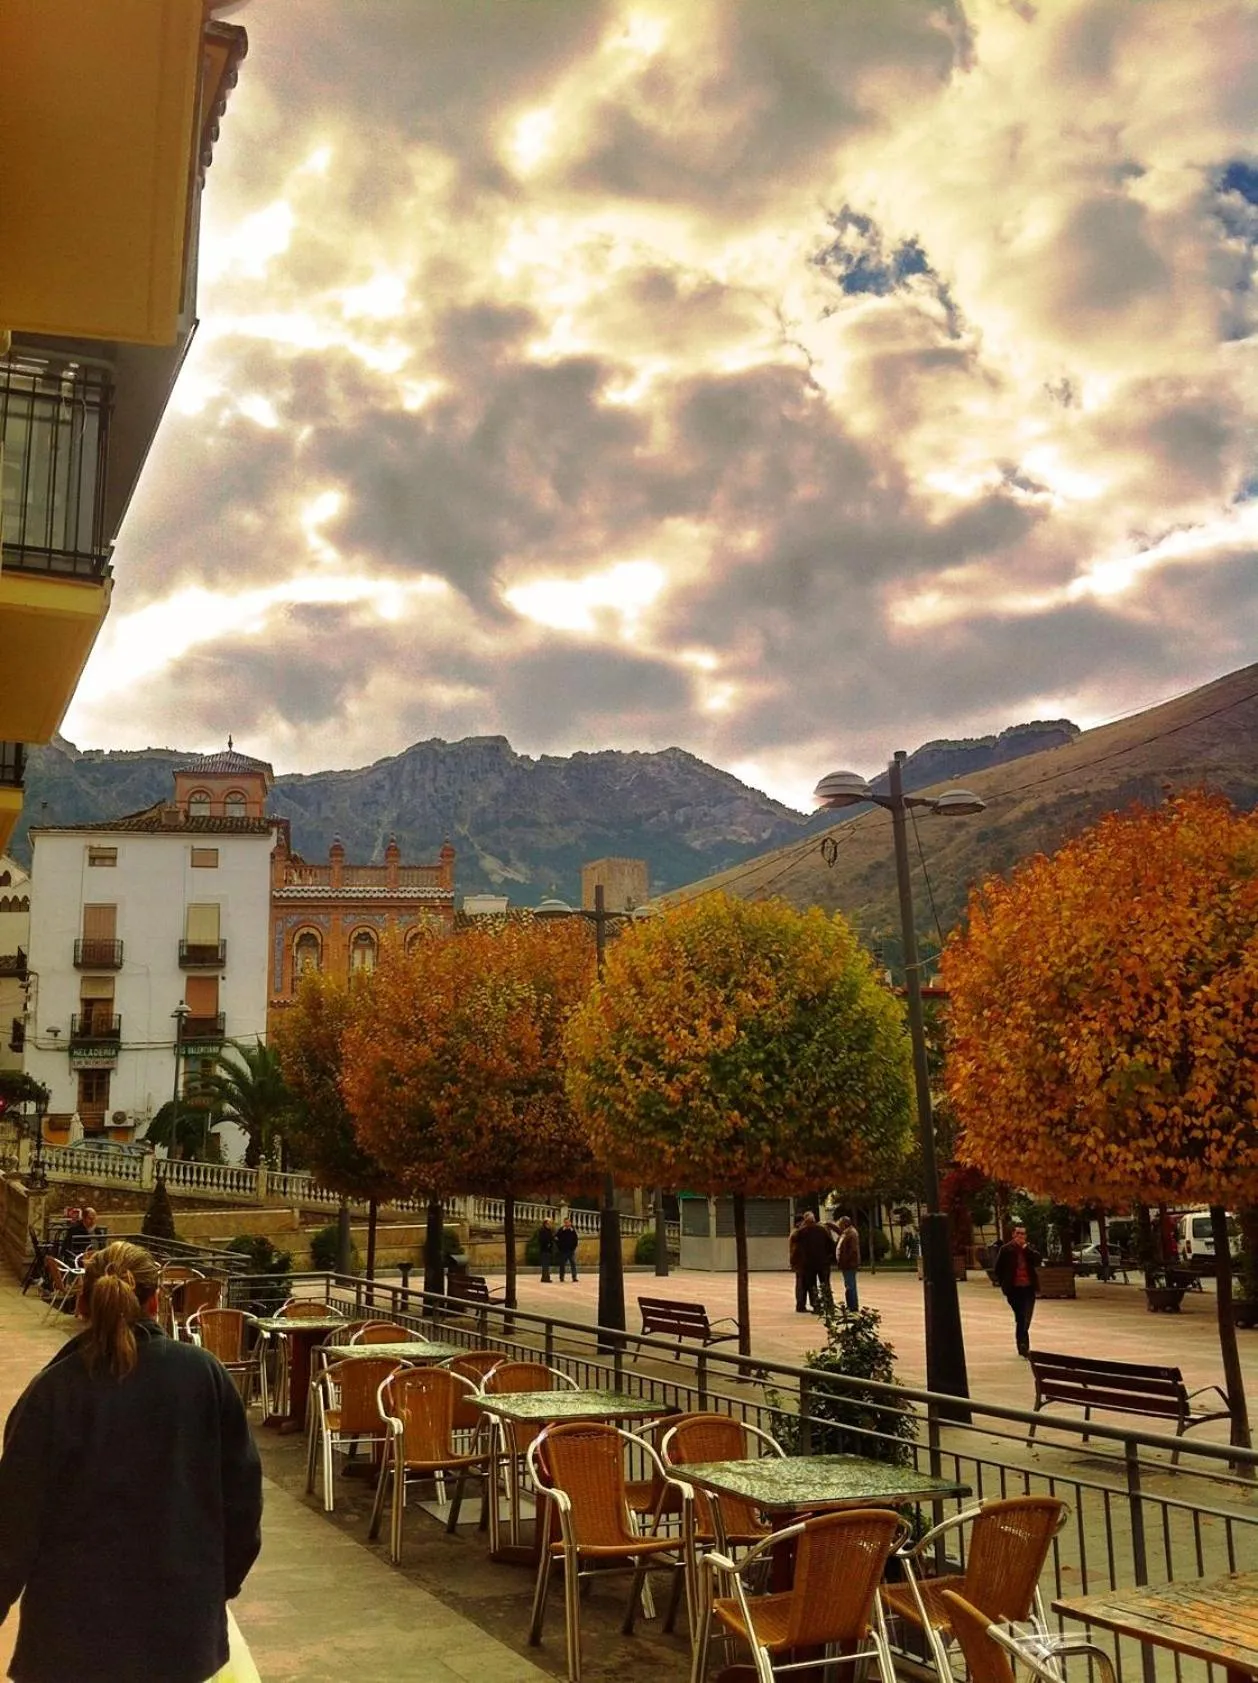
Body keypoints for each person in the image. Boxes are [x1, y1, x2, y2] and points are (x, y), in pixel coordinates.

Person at [0, 1240, 263, 1683]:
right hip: (180, 1629)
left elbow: (14, 1520)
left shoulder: (51, 1393)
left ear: (81, 1302)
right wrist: (214, 1587)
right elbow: (242, 1502)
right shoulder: (204, 1376)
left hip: (70, 1637)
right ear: (156, 1301)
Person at [994, 1223, 1041, 1357]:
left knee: (1026, 1317)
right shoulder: (1006, 1249)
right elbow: (998, 1269)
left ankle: (1022, 1344)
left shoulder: (1029, 1249)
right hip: (1014, 1289)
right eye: (1018, 1233)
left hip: (1028, 1288)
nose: (1021, 1236)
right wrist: (1005, 1284)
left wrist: (1026, 1249)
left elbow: (1038, 1260)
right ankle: (1023, 1346)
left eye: (1023, 1234)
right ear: (1013, 1235)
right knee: (1021, 1316)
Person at [794, 1211, 835, 1313]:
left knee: (812, 1286)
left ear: (805, 1221)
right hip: (823, 1262)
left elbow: (797, 1246)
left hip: (809, 1264)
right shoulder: (822, 1230)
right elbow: (831, 1244)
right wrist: (829, 1256)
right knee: (825, 1284)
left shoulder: (801, 1232)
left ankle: (816, 1306)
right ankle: (829, 1306)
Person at [835, 1215, 861, 1311]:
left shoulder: (851, 1234)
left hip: (849, 1264)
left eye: (840, 1224)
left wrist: (845, 1261)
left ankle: (853, 1306)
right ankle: (850, 1304)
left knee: (850, 1285)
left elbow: (853, 1250)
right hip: (846, 1264)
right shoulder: (846, 1233)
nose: (839, 1226)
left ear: (845, 1224)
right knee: (848, 1285)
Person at [556, 1216, 579, 1282]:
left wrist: (574, 1247)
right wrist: (560, 1247)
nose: (567, 1224)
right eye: (566, 1222)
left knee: (573, 1264)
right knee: (562, 1264)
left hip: (571, 1251)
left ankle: (574, 1277)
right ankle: (561, 1277)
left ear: (570, 1223)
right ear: (564, 1223)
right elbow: (556, 1238)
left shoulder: (572, 1230)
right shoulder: (561, 1230)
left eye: (568, 1222)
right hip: (563, 1251)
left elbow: (576, 1240)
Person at [536, 1218, 556, 1282]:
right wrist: (547, 1244)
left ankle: (545, 1277)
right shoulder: (542, 1230)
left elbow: (551, 1238)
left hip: (548, 1250)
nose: (551, 1224)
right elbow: (541, 1240)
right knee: (545, 1265)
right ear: (546, 1223)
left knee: (546, 1265)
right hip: (544, 1250)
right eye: (549, 1223)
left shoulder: (549, 1230)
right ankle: (545, 1278)